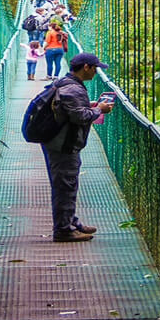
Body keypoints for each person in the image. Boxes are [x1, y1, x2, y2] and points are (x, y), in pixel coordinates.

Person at [39, 52, 114, 242]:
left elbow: (70, 109)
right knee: (65, 185)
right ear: (86, 67)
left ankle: (71, 222)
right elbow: (79, 117)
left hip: (59, 142)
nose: (97, 72)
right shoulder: (73, 89)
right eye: (95, 68)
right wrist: (99, 109)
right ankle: (64, 230)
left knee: (66, 184)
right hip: (63, 144)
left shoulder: (66, 83)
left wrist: (88, 106)